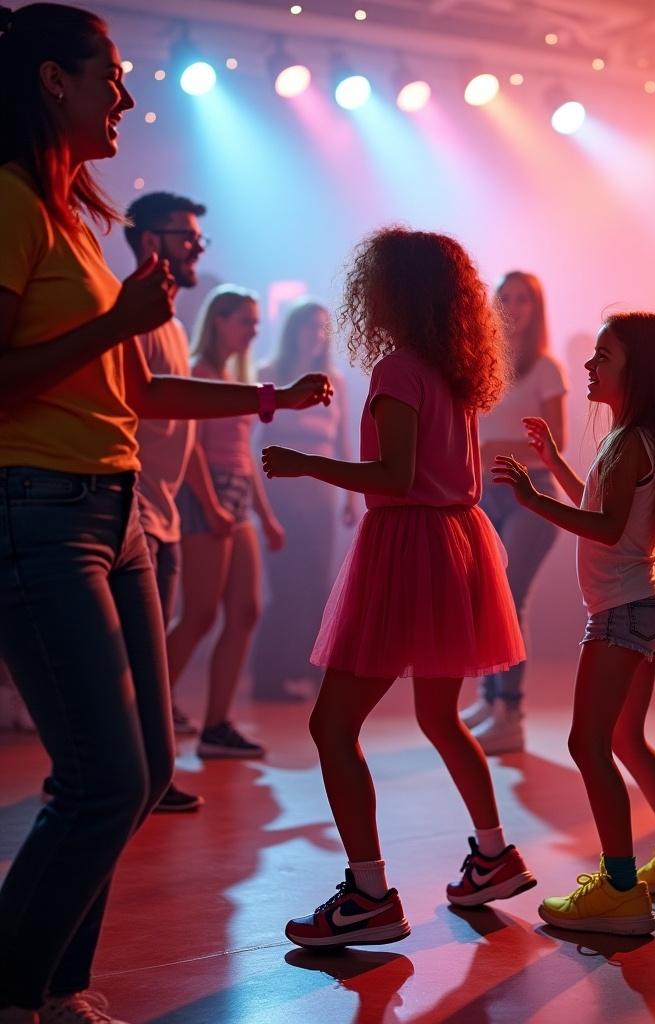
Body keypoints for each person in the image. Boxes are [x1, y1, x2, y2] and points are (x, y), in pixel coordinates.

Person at [0, 6, 330, 1021]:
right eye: (111, 75)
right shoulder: (9, 201)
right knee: (101, 778)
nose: (127, 96)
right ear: (53, 80)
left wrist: (269, 398)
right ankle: (14, 990)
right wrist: (115, 319)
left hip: (116, 509)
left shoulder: (73, 219)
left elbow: (139, 391)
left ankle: (54, 987)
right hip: (40, 508)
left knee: (140, 775)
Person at [261, 227, 536, 948]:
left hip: (409, 545)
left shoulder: (397, 370)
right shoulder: (455, 370)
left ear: (390, 293)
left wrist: (304, 463)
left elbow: (394, 478)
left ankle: (369, 893)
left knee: (332, 725)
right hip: (459, 541)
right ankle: (493, 854)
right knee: (441, 717)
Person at [492, 312, 655, 936]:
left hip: (622, 614)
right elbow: (597, 505)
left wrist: (533, 500)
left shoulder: (629, 443)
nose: (590, 367)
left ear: (636, 371)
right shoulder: (631, 440)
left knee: (586, 745)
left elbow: (606, 528)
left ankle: (621, 890)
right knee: (625, 742)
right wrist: (551, 464)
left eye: (604, 357)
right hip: (642, 608)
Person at [164, 286, 287, 758]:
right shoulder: (197, 372)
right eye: (245, 320)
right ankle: (146, 717)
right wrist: (211, 502)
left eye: (256, 322)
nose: (254, 330)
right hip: (204, 493)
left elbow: (244, 457)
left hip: (234, 495)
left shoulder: (238, 377)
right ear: (219, 320)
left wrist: (265, 515)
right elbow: (190, 446)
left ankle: (217, 726)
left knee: (246, 610)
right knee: (198, 615)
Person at [123, 190, 209, 812]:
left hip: (165, 513)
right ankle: (118, 778)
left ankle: (150, 777)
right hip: (131, 514)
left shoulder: (174, 324)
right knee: (129, 665)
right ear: (149, 240)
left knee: (148, 663)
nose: (196, 246)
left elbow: (183, 422)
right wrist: (269, 398)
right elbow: (148, 401)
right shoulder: (131, 315)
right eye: (185, 236)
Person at [460, 271, 568, 754]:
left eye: (524, 299)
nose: (514, 307)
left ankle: (512, 713)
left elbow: (555, 442)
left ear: (536, 308)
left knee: (511, 599)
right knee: (487, 601)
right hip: (485, 493)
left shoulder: (546, 367)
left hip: (532, 494)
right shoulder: (480, 362)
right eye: (506, 298)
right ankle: (490, 698)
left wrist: (498, 447)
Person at [251, 299, 358, 702]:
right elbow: (256, 441)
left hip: (320, 494)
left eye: (322, 327)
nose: (315, 334)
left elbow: (343, 441)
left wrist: (350, 497)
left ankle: (313, 673)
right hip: (281, 494)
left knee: (317, 584)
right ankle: (268, 676)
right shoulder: (268, 374)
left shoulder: (335, 381)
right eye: (308, 326)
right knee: (284, 583)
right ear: (292, 330)